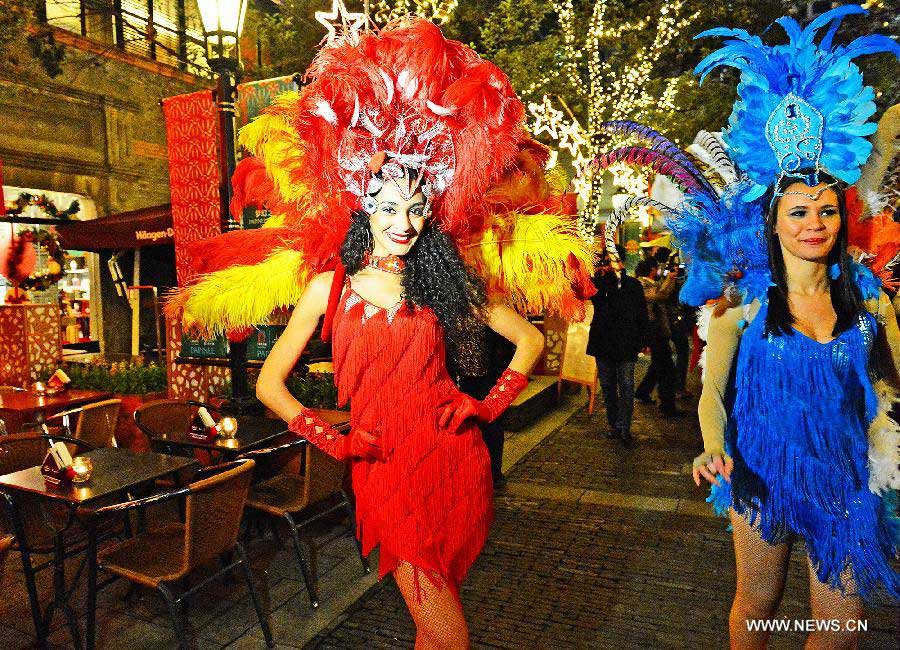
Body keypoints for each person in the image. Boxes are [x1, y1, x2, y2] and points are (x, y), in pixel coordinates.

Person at [167, 20, 596, 648]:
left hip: (453, 460)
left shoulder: (448, 282)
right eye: (390, 206)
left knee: (436, 626)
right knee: (449, 634)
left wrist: (487, 403)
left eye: (417, 207)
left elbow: (527, 341)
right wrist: (332, 438)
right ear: (362, 206)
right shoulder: (329, 287)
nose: (405, 221)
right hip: (384, 470)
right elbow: (268, 384)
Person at [591, 6, 900, 646]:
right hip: (759, 475)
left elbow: (890, 390)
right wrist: (710, 447)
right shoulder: (743, 307)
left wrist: (887, 447)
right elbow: (710, 391)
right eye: (798, 211)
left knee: (842, 631)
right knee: (757, 609)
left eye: (825, 210)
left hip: (844, 481)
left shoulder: (871, 303)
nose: (815, 223)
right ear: (774, 220)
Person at [587, 246, 649, 446]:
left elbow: (642, 314)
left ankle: (625, 428)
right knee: (607, 387)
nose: (608, 265)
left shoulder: (633, 285)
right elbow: (580, 289)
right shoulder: (599, 285)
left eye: (611, 260)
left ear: (621, 262)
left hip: (626, 345)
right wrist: (595, 273)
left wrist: (643, 341)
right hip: (603, 344)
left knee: (627, 385)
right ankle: (614, 425)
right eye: (605, 261)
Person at [634, 258, 683, 417]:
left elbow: (662, 293)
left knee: (658, 364)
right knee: (667, 369)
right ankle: (667, 406)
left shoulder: (648, 283)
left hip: (656, 330)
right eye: (656, 269)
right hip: (654, 331)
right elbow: (660, 295)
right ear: (652, 269)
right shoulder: (643, 284)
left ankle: (643, 391)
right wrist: (670, 279)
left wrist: (670, 280)